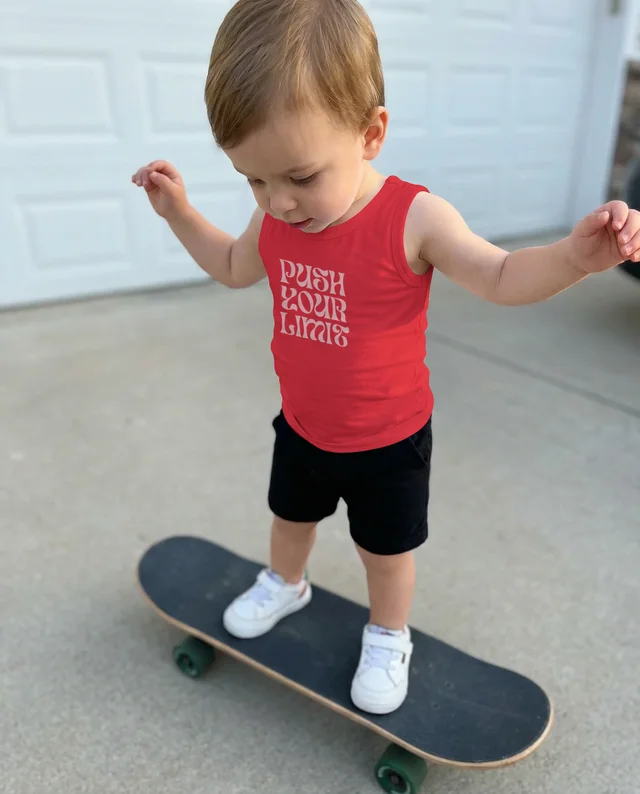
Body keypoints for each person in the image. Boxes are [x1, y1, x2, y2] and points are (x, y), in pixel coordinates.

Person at [132, 0, 640, 715]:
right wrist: (180, 212)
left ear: (370, 133)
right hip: (305, 425)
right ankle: (288, 583)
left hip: (388, 440)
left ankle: (387, 633)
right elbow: (232, 265)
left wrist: (574, 259)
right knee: (289, 518)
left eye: (301, 177)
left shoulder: (413, 217)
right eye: (254, 179)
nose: (277, 201)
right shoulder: (276, 216)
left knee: (386, 552)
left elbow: (498, 277)